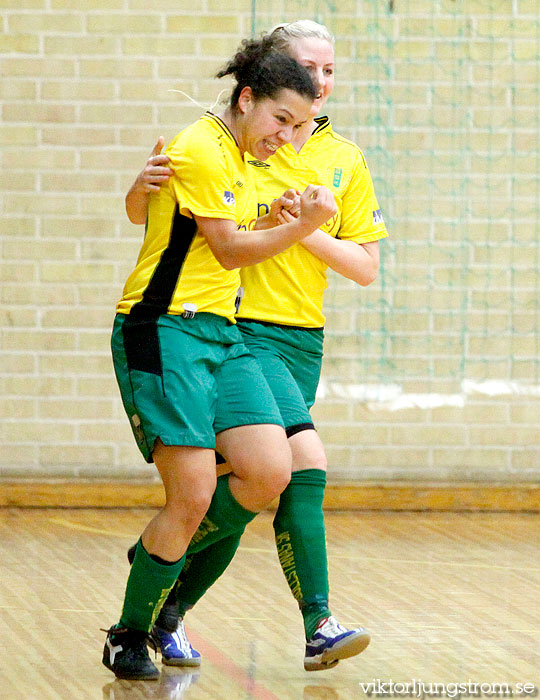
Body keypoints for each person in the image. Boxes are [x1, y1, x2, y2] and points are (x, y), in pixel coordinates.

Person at [126, 20, 388, 673]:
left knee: (257, 481)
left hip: (303, 337)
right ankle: (319, 623)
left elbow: (363, 266)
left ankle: (163, 581)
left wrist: (303, 228)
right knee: (302, 465)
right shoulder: (241, 145)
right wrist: (142, 187)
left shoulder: (342, 159)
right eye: (305, 69)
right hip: (239, 328)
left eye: (328, 72)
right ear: (264, 81)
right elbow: (170, 222)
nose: (319, 84)